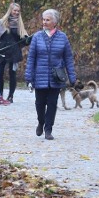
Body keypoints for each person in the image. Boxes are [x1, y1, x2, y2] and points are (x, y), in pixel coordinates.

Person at [24, 9, 77, 140]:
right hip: (40, 76)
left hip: (56, 77)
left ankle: (48, 129)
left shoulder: (62, 37)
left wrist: (72, 77)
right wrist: (29, 77)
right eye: (43, 19)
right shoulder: (36, 37)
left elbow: (68, 59)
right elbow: (31, 59)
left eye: (47, 20)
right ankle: (41, 122)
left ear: (55, 22)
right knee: (40, 104)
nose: (44, 22)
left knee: (52, 104)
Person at [0, 2, 30, 103]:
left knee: (12, 73)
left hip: (14, 52)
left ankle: (10, 96)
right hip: (2, 50)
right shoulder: (2, 22)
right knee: (0, 73)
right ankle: (0, 95)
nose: (16, 12)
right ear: (10, 10)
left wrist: (27, 39)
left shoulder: (20, 25)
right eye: (15, 10)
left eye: (18, 11)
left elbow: (24, 40)